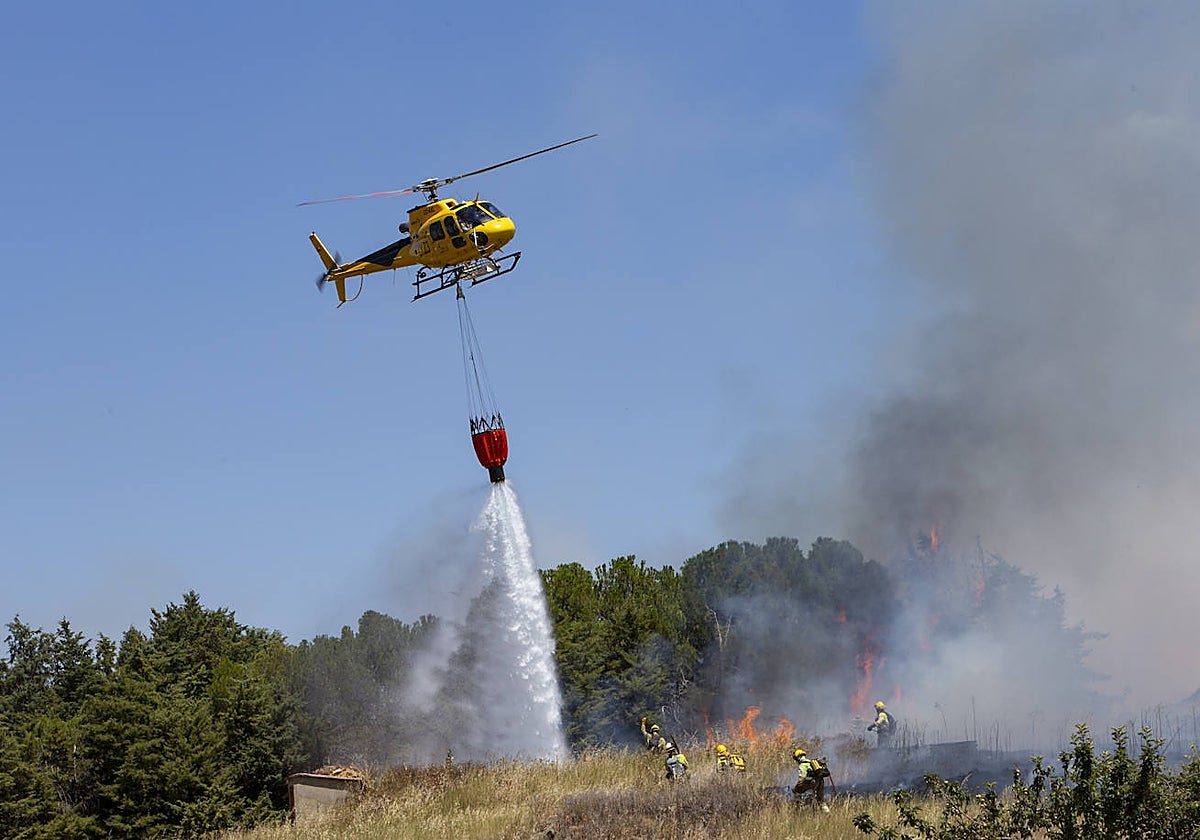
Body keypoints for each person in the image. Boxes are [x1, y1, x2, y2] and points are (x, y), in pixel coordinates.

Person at [792, 747, 830, 812]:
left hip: (810, 784)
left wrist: (795, 789)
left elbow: (801, 778)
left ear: (798, 757)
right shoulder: (812, 763)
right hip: (820, 782)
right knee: (821, 801)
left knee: (799, 797)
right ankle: (827, 813)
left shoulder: (802, 765)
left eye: (796, 759)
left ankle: (802, 811)